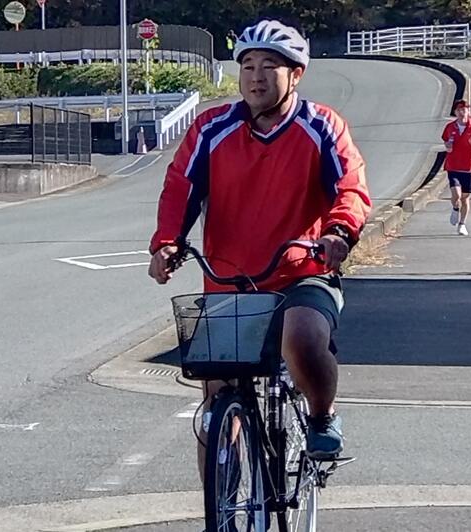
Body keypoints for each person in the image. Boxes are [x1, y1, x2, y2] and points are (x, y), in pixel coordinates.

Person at [148, 20, 371, 466]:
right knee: (216, 406)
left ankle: (322, 416)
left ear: (296, 74)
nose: (256, 76)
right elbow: (180, 188)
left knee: (302, 338)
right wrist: (167, 243)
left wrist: (339, 232)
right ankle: (222, 496)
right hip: (229, 281)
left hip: (302, 272)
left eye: (270, 66)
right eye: (248, 65)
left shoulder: (322, 126)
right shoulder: (211, 129)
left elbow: (350, 186)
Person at [442, 99, 471, 236]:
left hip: (468, 167)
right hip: (453, 166)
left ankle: (462, 224)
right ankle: (455, 208)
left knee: (465, 197)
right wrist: (448, 147)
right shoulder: (450, 127)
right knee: (456, 195)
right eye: (459, 110)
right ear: (455, 112)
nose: (462, 112)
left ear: (468, 111)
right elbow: (446, 141)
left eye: (465, 109)